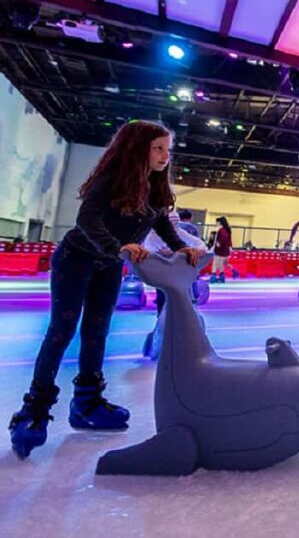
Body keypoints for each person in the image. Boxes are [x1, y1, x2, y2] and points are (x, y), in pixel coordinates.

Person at [8, 121, 202, 459]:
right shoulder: (112, 179)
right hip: (76, 258)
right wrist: (118, 246)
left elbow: (158, 223)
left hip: (109, 265)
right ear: (137, 148)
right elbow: (88, 219)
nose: (164, 155)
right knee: (61, 331)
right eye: (158, 148)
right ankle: (34, 411)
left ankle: (87, 403)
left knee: (97, 332)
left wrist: (180, 247)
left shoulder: (154, 189)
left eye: (167, 150)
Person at [141, 209, 208, 359]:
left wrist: (200, 250)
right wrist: (160, 254)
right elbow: (148, 253)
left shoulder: (180, 234)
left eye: (176, 224)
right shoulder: (152, 237)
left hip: (179, 279)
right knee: (163, 309)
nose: (174, 228)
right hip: (163, 280)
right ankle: (160, 344)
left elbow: (198, 244)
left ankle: (181, 342)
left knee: (184, 308)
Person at [210, 216, 232, 283]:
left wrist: (218, 243)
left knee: (215, 263)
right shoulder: (227, 229)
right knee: (220, 264)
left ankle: (213, 278)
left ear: (219, 222)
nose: (216, 223)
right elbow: (229, 240)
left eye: (216, 222)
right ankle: (222, 277)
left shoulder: (221, 230)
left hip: (220, 250)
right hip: (225, 250)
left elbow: (223, 238)